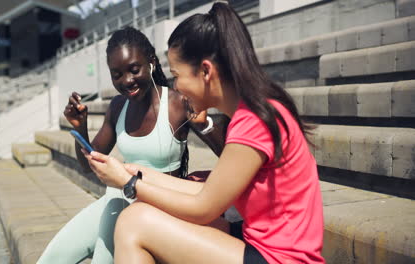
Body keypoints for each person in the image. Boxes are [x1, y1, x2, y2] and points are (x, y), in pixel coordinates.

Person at [84, 3, 325, 264]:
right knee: (156, 207)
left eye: (177, 75)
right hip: (260, 245)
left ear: (206, 71)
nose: (176, 85)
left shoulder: (254, 122)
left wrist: (129, 184)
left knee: (134, 221)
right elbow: (204, 192)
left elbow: (203, 207)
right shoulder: (256, 111)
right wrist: (134, 172)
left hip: (281, 258)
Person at [37, 27, 228, 264]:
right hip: (118, 197)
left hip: (160, 206)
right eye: (117, 74)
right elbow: (88, 165)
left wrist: (206, 123)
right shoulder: (118, 106)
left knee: (103, 256)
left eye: (133, 70)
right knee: (53, 257)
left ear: (152, 63)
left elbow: (228, 155)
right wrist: (80, 126)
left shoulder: (177, 103)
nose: (126, 81)